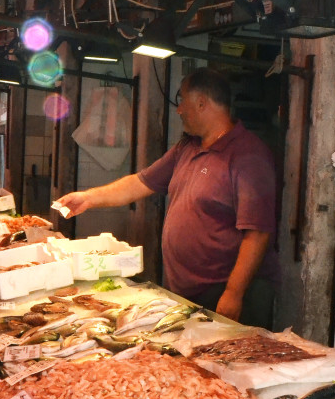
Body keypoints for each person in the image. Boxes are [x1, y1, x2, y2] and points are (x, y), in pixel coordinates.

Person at [58, 68, 280, 326]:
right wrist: (88, 198)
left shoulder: (248, 155)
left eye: (182, 100)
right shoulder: (187, 147)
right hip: (187, 290)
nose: (179, 109)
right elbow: (140, 183)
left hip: (225, 291)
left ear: (201, 103)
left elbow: (257, 233)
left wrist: (234, 292)